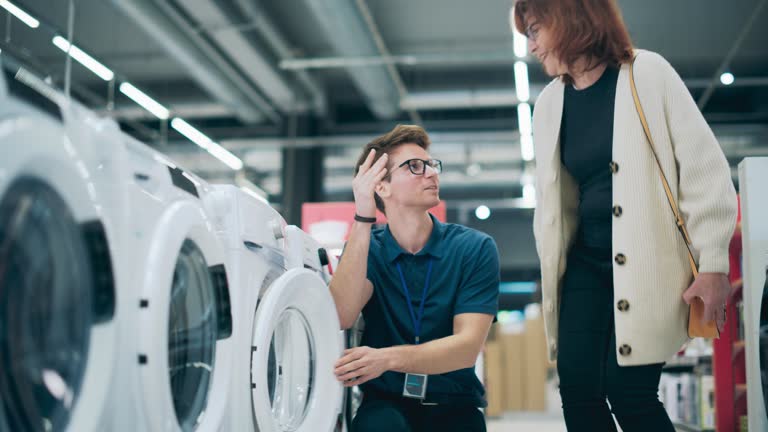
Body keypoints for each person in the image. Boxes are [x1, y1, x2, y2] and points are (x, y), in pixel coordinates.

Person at [512, 0, 738, 430]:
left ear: (570, 20)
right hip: (583, 262)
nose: (532, 46)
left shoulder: (646, 74)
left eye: (536, 30)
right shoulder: (548, 104)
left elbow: (703, 169)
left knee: (628, 390)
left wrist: (712, 265)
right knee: (577, 388)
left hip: (648, 264)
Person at [329, 125, 500, 432]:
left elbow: (466, 349)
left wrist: (386, 359)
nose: (432, 174)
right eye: (415, 167)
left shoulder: (474, 248)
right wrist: (363, 217)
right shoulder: (369, 248)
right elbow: (341, 314)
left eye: (432, 165)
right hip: (385, 404)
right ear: (381, 186)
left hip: (455, 403)